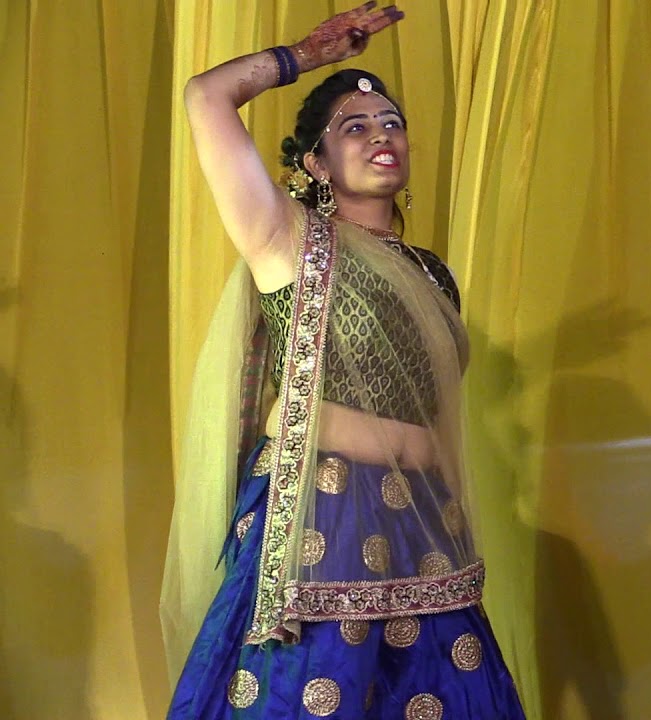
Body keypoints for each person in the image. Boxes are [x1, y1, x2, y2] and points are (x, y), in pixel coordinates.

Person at [161, 3, 525, 718]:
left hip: (425, 527)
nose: (381, 135)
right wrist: (306, 55)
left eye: (392, 123)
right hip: (319, 520)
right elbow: (206, 97)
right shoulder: (285, 241)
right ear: (315, 164)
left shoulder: (433, 275)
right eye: (354, 128)